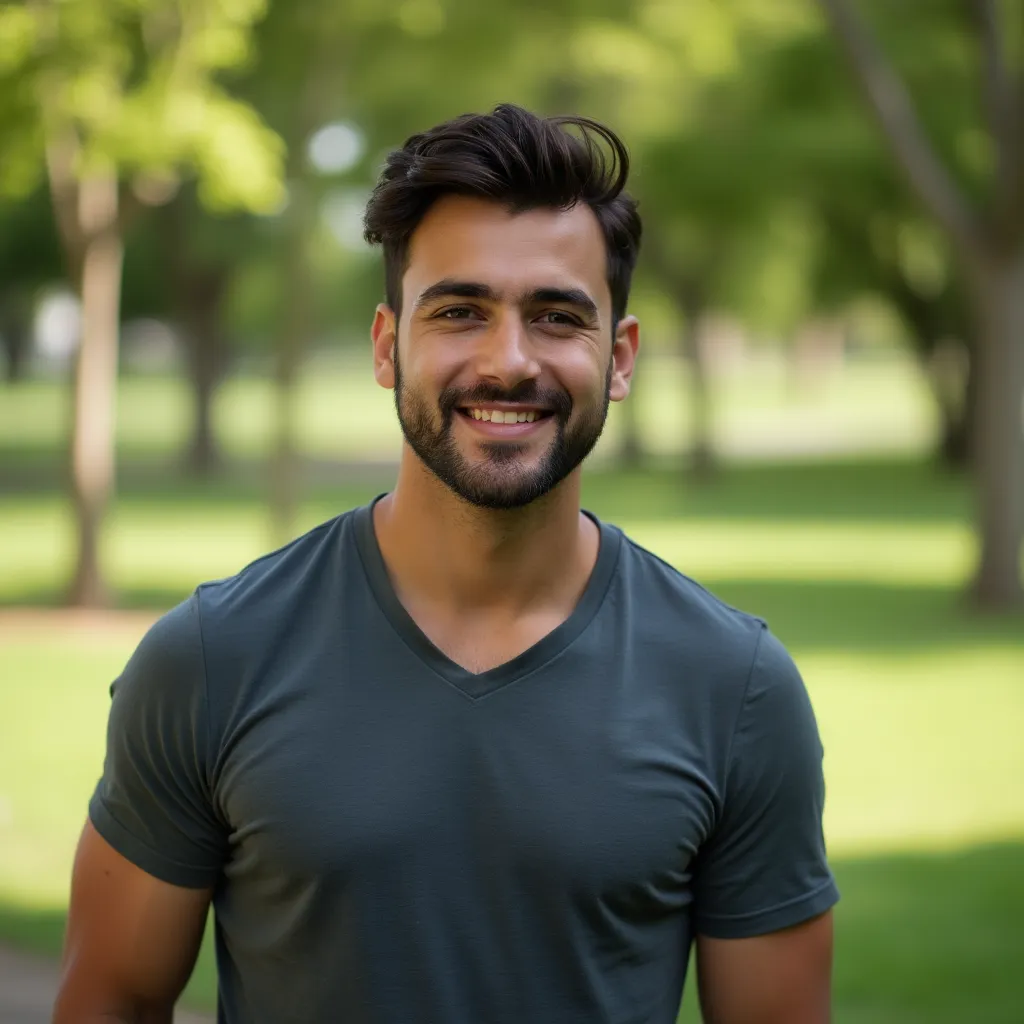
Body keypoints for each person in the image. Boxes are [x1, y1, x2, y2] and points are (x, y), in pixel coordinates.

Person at [54, 104, 838, 1024]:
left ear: (619, 358)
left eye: (556, 316)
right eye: (460, 312)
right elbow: (108, 1001)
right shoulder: (210, 659)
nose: (508, 362)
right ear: (389, 347)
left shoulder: (735, 690)